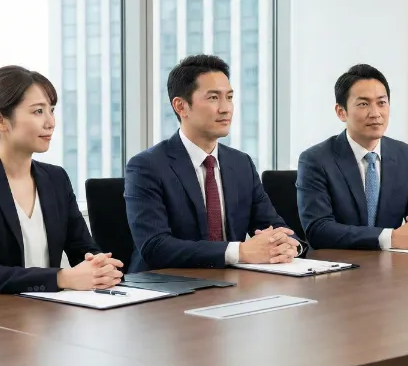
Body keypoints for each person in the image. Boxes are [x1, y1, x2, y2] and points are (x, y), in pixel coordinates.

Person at [0, 66, 124, 300]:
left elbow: (83, 249)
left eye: (52, 110)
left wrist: (99, 265)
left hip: (43, 312)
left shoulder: (56, 178)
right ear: (0, 120)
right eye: (38, 111)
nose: (50, 122)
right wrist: (62, 278)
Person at [125, 54, 302, 272]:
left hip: (230, 285)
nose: (225, 108)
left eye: (229, 97)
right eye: (213, 98)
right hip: (165, 288)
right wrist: (240, 252)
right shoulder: (147, 166)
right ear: (181, 106)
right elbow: (155, 246)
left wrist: (289, 245)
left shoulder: (241, 163)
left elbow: (273, 226)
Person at [296, 64, 408, 251]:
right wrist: (391, 238)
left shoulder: (405, 155)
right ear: (341, 112)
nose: (375, 113)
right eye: (363, 104)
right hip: (341, 271)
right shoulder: (316, 159)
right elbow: (319, 230)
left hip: (395, 270)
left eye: (381, 103)